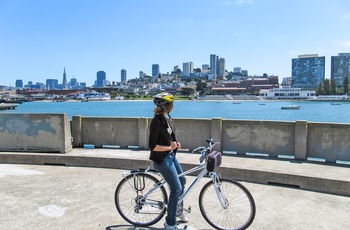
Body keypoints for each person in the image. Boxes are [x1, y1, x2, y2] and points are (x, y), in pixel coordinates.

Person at [148, 92, 188, 230]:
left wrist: (175, 143)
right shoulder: (156, 122)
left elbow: (168, 137)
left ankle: (178, 210)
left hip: (170, 156)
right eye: (172, 104)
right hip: (161, 159)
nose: (173, 106)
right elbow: (152, 146)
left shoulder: (165, 119)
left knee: (182, 181)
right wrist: (168, 147)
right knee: (176, 188)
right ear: (167, 106)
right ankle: (170, 223)